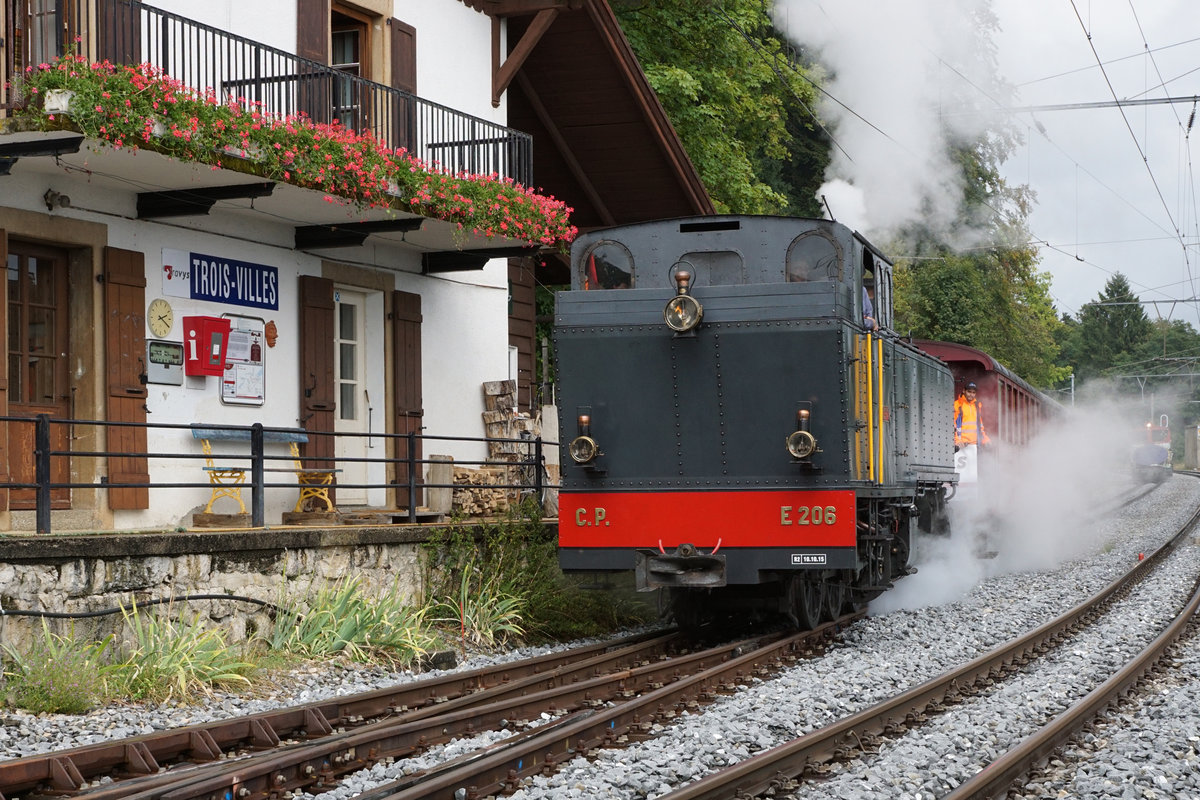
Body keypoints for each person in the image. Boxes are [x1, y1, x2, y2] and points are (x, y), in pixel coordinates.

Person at [954, 382, 991, 447]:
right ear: (964, 391)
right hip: (960, 446)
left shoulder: (976, 406)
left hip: (974, 446)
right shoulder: (956, 405)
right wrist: (957, 440)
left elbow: (980, 426)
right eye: (969, 392)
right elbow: (952, 426)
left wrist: (985, 439)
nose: (971, 394)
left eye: (973, 392)